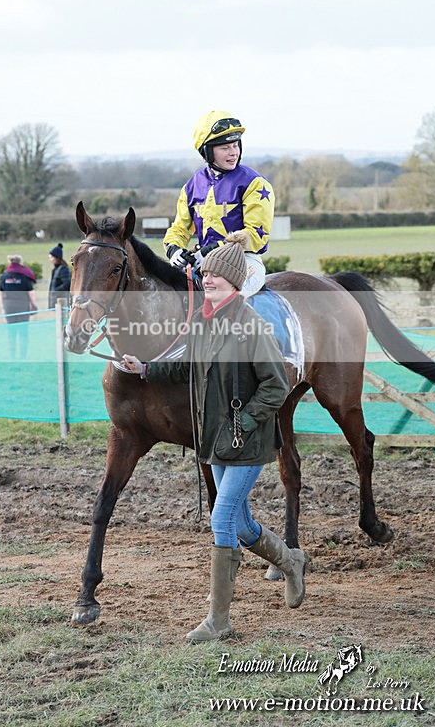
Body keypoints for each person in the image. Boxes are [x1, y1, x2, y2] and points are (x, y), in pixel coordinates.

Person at [122, 233, 308, 643]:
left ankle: (218, 621)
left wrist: (245, 423)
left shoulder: (252, 326)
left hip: (247, 442)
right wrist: (145, 369)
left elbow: (276, 387)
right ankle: (291, 562)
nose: (208, 282)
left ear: (235, 284)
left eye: (216, 279)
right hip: (215, 441)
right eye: (205, 276)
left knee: (222, 519)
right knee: (240, 523)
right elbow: (187, 366)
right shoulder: (203, 320)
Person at [163, 110, 275, 293]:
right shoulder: (192, 186)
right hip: (202, 264)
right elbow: (179, 229)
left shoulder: (254, 183)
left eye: (235, 145)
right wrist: (174, 250)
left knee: (223, 299)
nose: (233, 153)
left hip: (244, 263)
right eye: (225, 148)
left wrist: (210, 252)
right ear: (207, 151)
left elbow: (256, 235)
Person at [0, 254, 38, 360]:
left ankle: (12, 356)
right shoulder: (24, 276)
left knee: (11, 332)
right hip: (22, 306)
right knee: (23, 332)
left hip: (9, 306)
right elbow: (31, 292)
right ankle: (23, 356)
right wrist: (34, 304)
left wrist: (2, 306)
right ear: (20, 263)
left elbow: (0, 293)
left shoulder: (4, 276)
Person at [48, 243, 71, 309]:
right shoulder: (55, 270)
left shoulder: (64, 269)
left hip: (62, 302)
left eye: (51, 257)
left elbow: (67, 284)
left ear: (57, 258)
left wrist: (55, 291)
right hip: (57, 302)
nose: (50, 260)